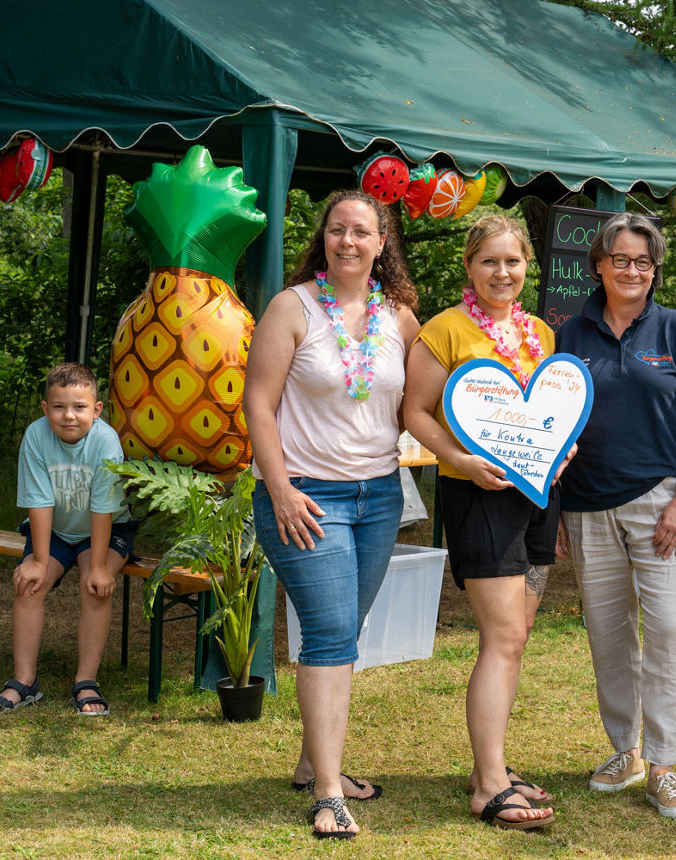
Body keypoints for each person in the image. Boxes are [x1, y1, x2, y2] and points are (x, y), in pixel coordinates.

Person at [243, 189, 420, 839]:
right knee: (329, 634)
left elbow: (417, 407)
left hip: (378, 498)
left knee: (344, 633)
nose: (349, 241)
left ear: (381, 244)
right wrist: (282, 488)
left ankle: (312, 761)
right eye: (337, 230)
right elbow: (257, 403)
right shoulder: (292, 308)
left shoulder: (400, 317)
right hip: (307, 498)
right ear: (323, 240)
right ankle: (327, 793)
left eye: (362, 232)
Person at [556, 212, 676, 818]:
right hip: (588, 505)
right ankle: (625, 750)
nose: (632, 271)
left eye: (643, 262)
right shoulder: (569, 334)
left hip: (663, 503)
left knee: (671, 629)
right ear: (598, 264)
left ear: (655, 270)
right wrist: (559, 508)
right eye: (620, 259)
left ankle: (666, 765)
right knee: (608, 635)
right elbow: (552, 425)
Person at [403, 215, 558, 830]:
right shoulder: (444, 331)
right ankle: (490, 785)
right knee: (503, 638)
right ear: (469, 265)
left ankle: (489, 765)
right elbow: (415, 411)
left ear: (527, 267)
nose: (503, 273)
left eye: (513, 262)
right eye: (490, 262)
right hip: (480, 494)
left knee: (514, 636)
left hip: (538, 494)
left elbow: (552, 406)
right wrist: (459, 459)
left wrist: (562, 445)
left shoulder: (540, 331)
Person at [0, 362, 135, 717]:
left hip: (107, 528)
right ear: (45, 408)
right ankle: (24, 681)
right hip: (54, 529)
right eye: (59, 407)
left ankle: (86, 681)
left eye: (79, 407)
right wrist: (36, 561)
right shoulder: (37, 436)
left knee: (93, 585)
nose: (69, 416)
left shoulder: (105, 441)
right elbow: (39, 501)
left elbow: (103, 509)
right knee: (29, 583)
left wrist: (97, 567)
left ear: (96, 410)